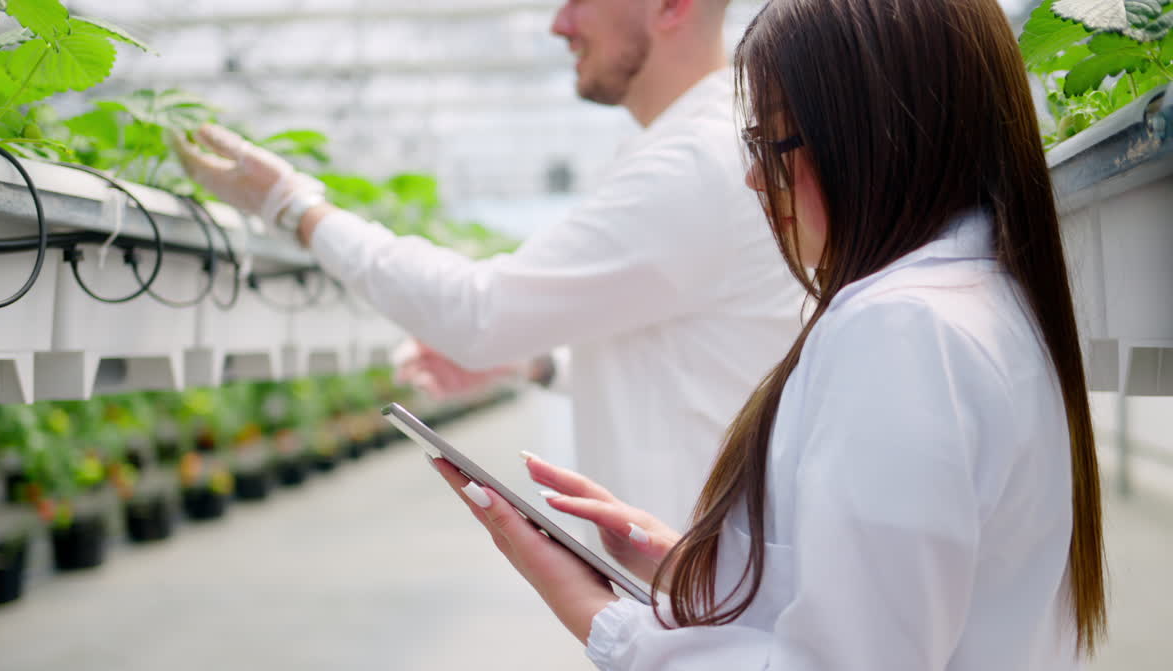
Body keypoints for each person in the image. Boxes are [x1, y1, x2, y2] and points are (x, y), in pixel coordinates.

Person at [428, 0, 1109, 671]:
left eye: (772, 141)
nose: (757, 178)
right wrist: (695, 569)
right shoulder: (979, 300)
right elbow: (898, 598)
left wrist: (601, 620)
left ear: (873, 136)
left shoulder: (900, 333)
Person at [174, 0, 804, 533]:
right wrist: (533, 363)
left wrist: (294, 208)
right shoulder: (697, 149)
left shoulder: (692, 161)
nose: (560, 24)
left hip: (704, 584)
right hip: (699, 570)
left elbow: (480, 311)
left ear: (671, 5)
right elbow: (688, 359)